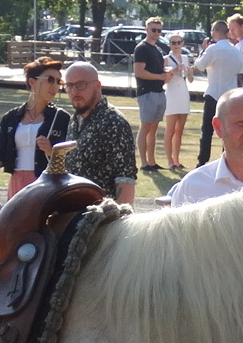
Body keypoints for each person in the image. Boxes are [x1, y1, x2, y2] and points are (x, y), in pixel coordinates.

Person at [0, 56, 71, 198]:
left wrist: (51, 152)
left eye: (58, 81)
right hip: (17, 181)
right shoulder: (11, 117)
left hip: (47, 183)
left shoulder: (62, 118)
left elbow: (72, 158)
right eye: (50, 80)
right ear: (32, 82)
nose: (55, 86)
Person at [61, 61, 136, 205]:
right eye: (69, 85)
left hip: (102, 214)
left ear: (97, 85)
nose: (74, 91)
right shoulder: (74, 121)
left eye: (81, 84)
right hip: (72, 211)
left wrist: (121, 217)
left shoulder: (114, 122)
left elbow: (125, 179)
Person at [192, 19, 243, 166]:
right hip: (230, 95)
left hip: (214, 94)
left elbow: (198, 66)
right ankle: (227, 159)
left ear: (215, 32)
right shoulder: (236, 51)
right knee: (228, 130)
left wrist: (203, 51)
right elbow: (240, 75)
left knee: (207, 130)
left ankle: (202, 161)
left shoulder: (213, 49)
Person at [131, 17, 169, 172]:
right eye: (153, 30)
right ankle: (144, 162)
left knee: (154, 129)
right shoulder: (141, 48)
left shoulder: (157, 49)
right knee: (145, 127)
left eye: (159, 30)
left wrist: (167, 74)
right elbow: (139, 72)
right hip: (147, 92)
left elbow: (158, 71)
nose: (156, 33)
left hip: (159, 92)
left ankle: (152, 162)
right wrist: (160, 77)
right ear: (146, 30)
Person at [162, 31, 193, 171]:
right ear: (169, 44)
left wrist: (190, 72)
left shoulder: (185, 58)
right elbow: (164, 79)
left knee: (179, 130)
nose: (176, 45)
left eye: (179, 42)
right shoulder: (166, 59)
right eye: (173, 43)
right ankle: (170, 161)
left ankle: (177, 159)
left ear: (182, 44)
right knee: (170, 129)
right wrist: (175, 70)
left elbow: (190, 80)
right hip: (172, 94)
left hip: (183, 93)